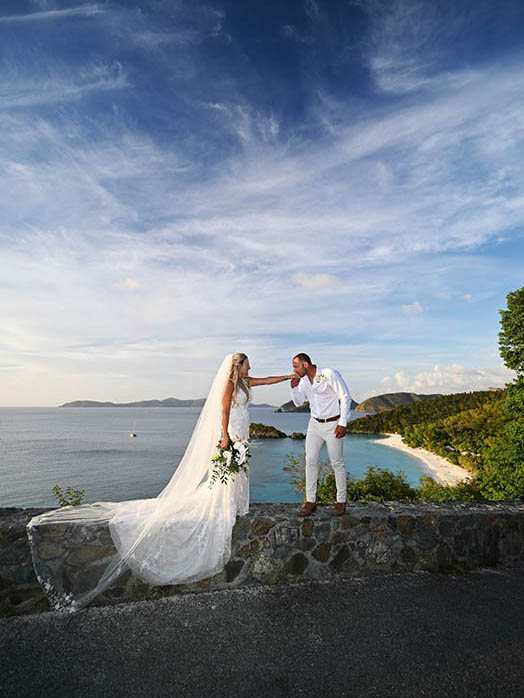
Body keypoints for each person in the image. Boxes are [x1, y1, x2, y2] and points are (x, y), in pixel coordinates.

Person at [26, 353, 293, 613]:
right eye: (247, 365)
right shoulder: (229, 384)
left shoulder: (246, 383)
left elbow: (267, 380)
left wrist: (288, 377)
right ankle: (225, 504)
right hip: (232, 432)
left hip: (242, 430)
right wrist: (225, 437)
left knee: (237, 470)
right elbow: (224, 409)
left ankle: (234, 504)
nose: (250, 368)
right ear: (238, 366)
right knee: (229, 469)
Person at [290, 352, 352, 516]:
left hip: (333, 424)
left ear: (305, 364)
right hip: (314, 425)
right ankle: (310, 501)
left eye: (296, 366)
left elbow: (345, 397)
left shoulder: (329, 374)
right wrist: (295, 388)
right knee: (310, 461)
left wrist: (342, 423)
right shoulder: (303, 382)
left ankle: (341, 501)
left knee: (336, 463)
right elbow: (298, 402)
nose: (294, 370)